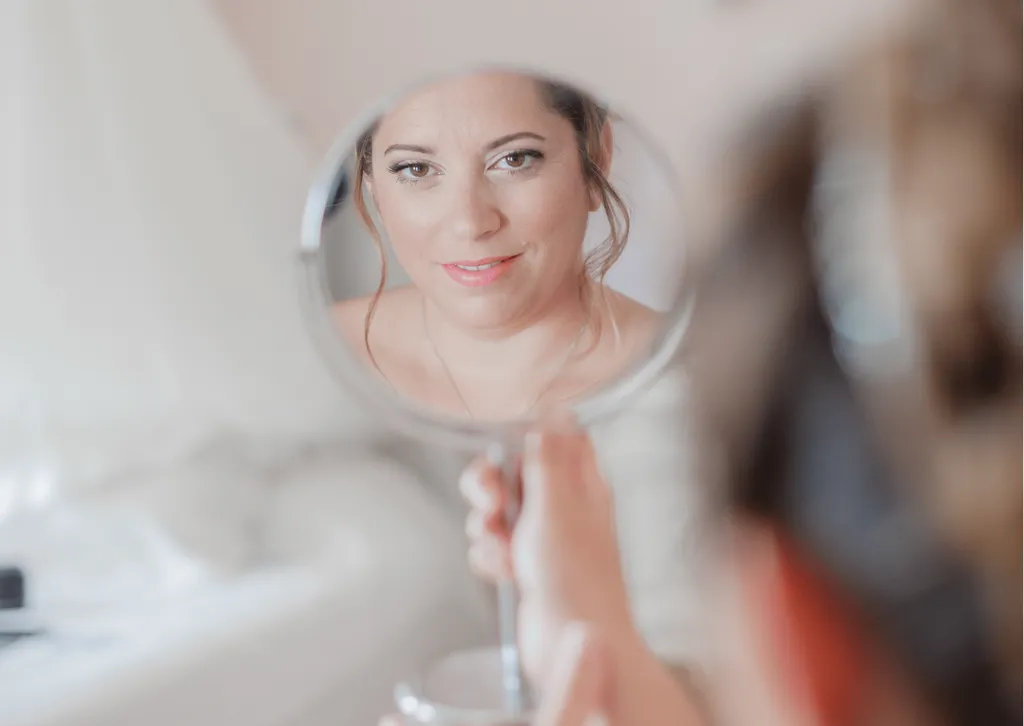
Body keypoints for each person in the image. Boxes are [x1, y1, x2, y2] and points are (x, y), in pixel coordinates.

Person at [334, 71, 661, 421]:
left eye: (515, 160)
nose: (470, 224)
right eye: (416, 169)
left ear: (597, 157)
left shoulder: (692, 370)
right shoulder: (310, 355)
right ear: (374, 188)